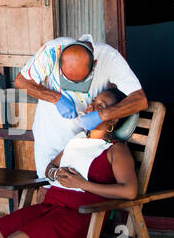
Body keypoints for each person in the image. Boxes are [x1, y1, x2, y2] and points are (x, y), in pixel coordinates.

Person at [0, 88, 139, 238]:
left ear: (115, 116)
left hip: (80, 216)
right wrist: (55, 173)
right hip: (50, 207)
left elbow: (130, 191)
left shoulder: (115, 149)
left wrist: (82, 184)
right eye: (93, 103)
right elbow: (50, 166)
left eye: (100, 106)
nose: (91, 108)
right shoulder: (79, 139)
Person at [14, 34, 148, 180]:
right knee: (47, 187)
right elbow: (21, 81)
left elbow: (140, 100)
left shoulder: (110, 58)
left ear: (95, 64)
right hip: (49, 136)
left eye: (80, 82)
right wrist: (56, 98)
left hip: (86, 141)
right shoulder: (52, 51)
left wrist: (102, 115)